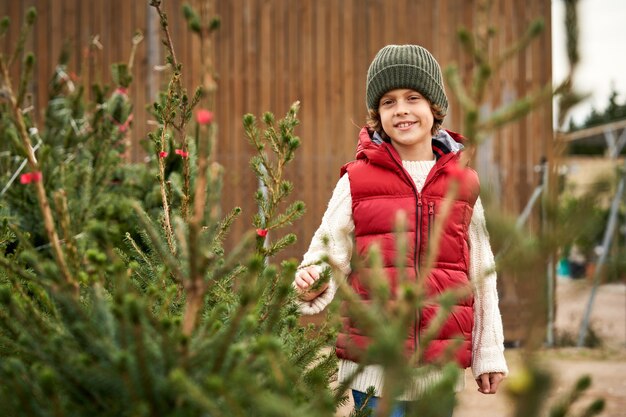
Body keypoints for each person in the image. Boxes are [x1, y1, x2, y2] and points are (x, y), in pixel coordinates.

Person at [293, 44, 508, 416]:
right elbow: (328, 251)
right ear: (377, 114)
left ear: (434, 108)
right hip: (374, 370)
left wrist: (488, 351)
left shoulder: (464, 184)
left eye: (413, 97)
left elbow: (481, 273)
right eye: (388, 102)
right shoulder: (357, 181)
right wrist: (313, 279)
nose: (402, 110)